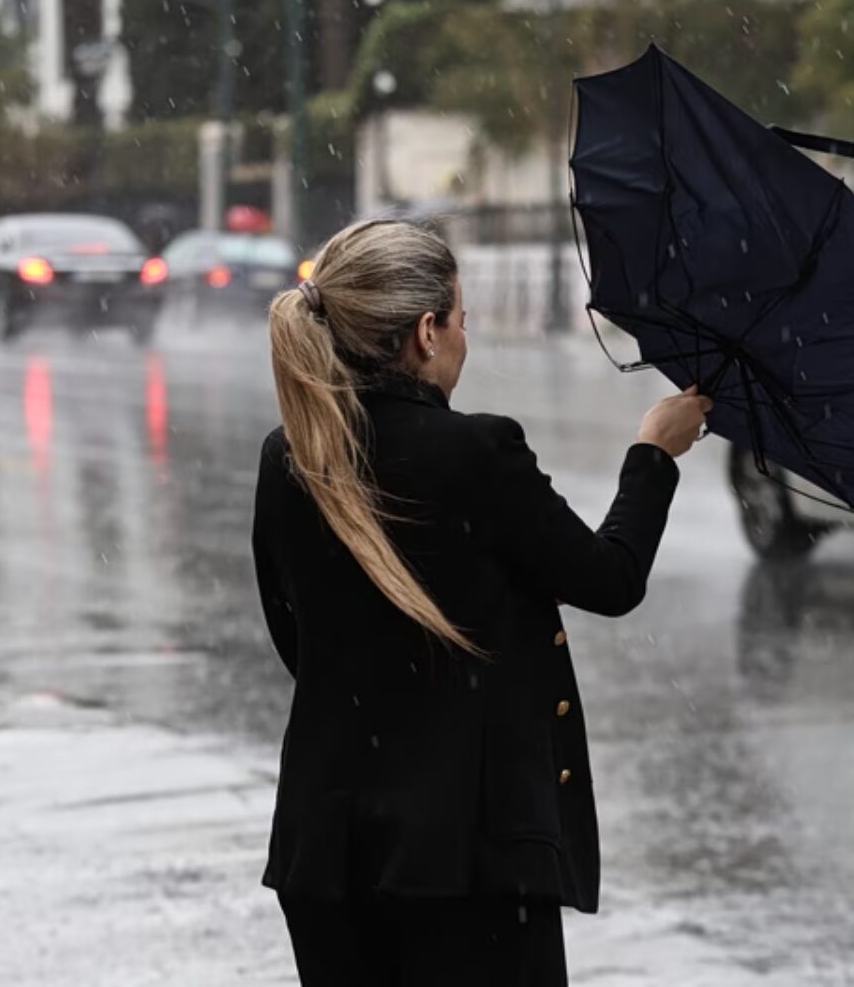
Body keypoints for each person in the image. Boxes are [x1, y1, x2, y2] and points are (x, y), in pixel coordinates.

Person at [252, 219, 712, 986]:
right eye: (462, 319)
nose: (466, 337)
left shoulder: (290, 455)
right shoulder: (474, 453)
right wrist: (652, 456)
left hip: (326, 858)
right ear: (426, 332)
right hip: (467, 861)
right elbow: (609, 578)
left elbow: (298, 639)